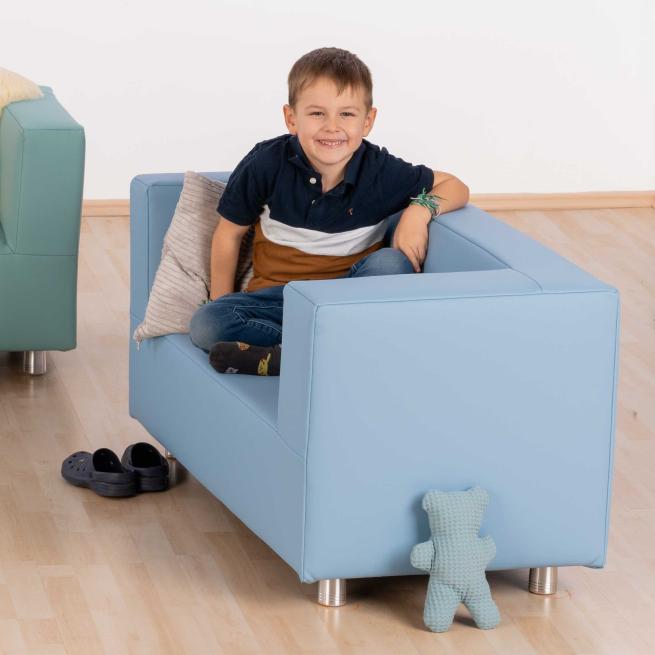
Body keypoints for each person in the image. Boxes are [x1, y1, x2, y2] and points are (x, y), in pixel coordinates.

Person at [190, 46, 470, 375]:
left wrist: (418, 212)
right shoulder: (266, 163)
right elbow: (228, 234)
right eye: (317, 113)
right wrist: (222, 301)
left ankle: (291, 354)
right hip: (281, 300)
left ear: (368, 121)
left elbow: (455, 186)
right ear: (291, 118)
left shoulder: (380, 171)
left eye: (346, 114)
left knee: (392, 263)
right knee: (207, 323)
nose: (332, 127)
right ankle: (320, 351)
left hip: (347, 299)